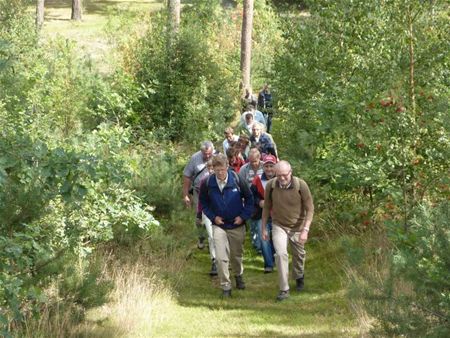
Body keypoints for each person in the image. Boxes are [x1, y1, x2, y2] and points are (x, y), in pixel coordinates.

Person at [199, 154, 254, 298]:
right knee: (221, 257)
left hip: (236, 224)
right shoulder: (208, 183)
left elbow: (249, 199)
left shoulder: (237, 179)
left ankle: (238, 274)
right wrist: (213, 217)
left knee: (236, 255)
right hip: (219, 225)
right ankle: (225, 286)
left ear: (227, 168)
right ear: (213, 169)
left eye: (222, 170)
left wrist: (242, 217)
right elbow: (203, 203)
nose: (220, 173)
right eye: (217, 170)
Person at [261, 161, 314, 301]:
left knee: (299, 255)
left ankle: (299, 276)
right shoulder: (271, 186)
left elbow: (310, 208)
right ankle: (284, 289)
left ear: (291, 172)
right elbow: (266, 207)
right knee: (280, 254)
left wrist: (306, 229)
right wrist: (264, 228)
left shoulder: (300, 185)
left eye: (284, 175)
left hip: (298, 226)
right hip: (279, 225)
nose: (282, 178)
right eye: (279, 175)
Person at [182, 141, 215, 249]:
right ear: (201, 152)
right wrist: (185, 195)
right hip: (198, 192)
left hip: (215, 191)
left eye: (209, 153)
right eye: (205, 154)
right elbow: (187, 176)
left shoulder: (218, 157)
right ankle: (201, 237)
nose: (207, 156)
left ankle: (215, 239)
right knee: (199, 216)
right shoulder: (195, 158)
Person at [250, 154, 277, 273]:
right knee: (264, 237)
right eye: (267, 166)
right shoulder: (257, 179)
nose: (269, 169)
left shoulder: (281, 178)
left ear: (275, 167)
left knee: (276, 239)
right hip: (262, 214)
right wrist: (259, 201)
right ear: (263, 167)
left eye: (271, 166)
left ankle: (275, 256)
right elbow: (251, 196)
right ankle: (269, 264)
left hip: (278, 215)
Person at [239, 148, 264, 252]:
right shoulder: (244, 169)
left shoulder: (265, 166)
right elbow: (240, 184)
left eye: (255, 161)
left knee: (261, 222)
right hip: (249, 198)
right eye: (250, 161)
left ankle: (260, 245)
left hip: (262, 197)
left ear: (259, 158)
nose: (253, 163)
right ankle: (255, 241)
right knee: (253, 221)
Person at [196, 160, 217, 276]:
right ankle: (214, 260)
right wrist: (199, 214)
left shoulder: (224, 180)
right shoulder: (204, 182)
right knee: (211, 236)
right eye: (209, 168)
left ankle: (223, 258)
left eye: (213, 167)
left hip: (221, 212)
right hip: (208, 212)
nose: (211, 170)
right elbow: (201, 200)